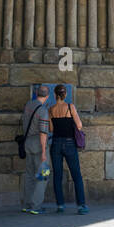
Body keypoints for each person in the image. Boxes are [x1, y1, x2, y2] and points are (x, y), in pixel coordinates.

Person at [49, 84, 88, 214]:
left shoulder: (51, 109)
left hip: (56, 143)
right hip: (70, 143)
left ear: (55, 95)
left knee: (57, 176)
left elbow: (51, 129)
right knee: (76, 175)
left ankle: (60, 205)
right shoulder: (70, 107)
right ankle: (81, 206)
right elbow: (79, 125)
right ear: (65, 94)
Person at [19, 84, 51, 214]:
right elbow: (43, 133)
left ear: (37, 93)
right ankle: (36, 206)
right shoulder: (43, 110)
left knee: (29, 175)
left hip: (27, 144)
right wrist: (44, 152)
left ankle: (26, 204)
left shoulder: (28, 105)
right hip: (38, 145)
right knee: (43, 175)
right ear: (47, 96)